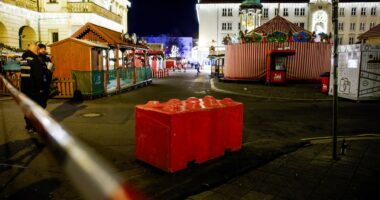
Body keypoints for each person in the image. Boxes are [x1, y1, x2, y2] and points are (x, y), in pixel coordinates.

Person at [20, 43, 49, 133]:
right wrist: (42, 88)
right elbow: (38, 77)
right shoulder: (35, 60)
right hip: (34, 89)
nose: (38, 51)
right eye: (37, 50)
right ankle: (35, 127)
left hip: (25, 88)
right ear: (34, 50)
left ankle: (29, 125)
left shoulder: (24, 59)